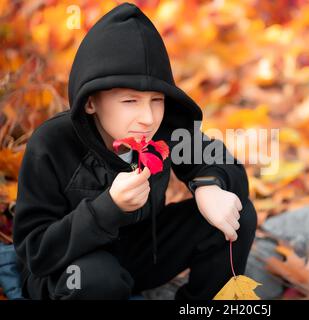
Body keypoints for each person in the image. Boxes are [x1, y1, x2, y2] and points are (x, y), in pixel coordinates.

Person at [13, 2, 257, 300]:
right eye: (130, 102)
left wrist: (209, 186)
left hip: (137, 255)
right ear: (91, 102)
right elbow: (35, 250)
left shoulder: (161, 131)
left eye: (156, 100)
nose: (148, 117)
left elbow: (221, 162)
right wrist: (109, 207)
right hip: (64, 267)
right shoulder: (51, 144)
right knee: (97, 280)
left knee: (237, 215)